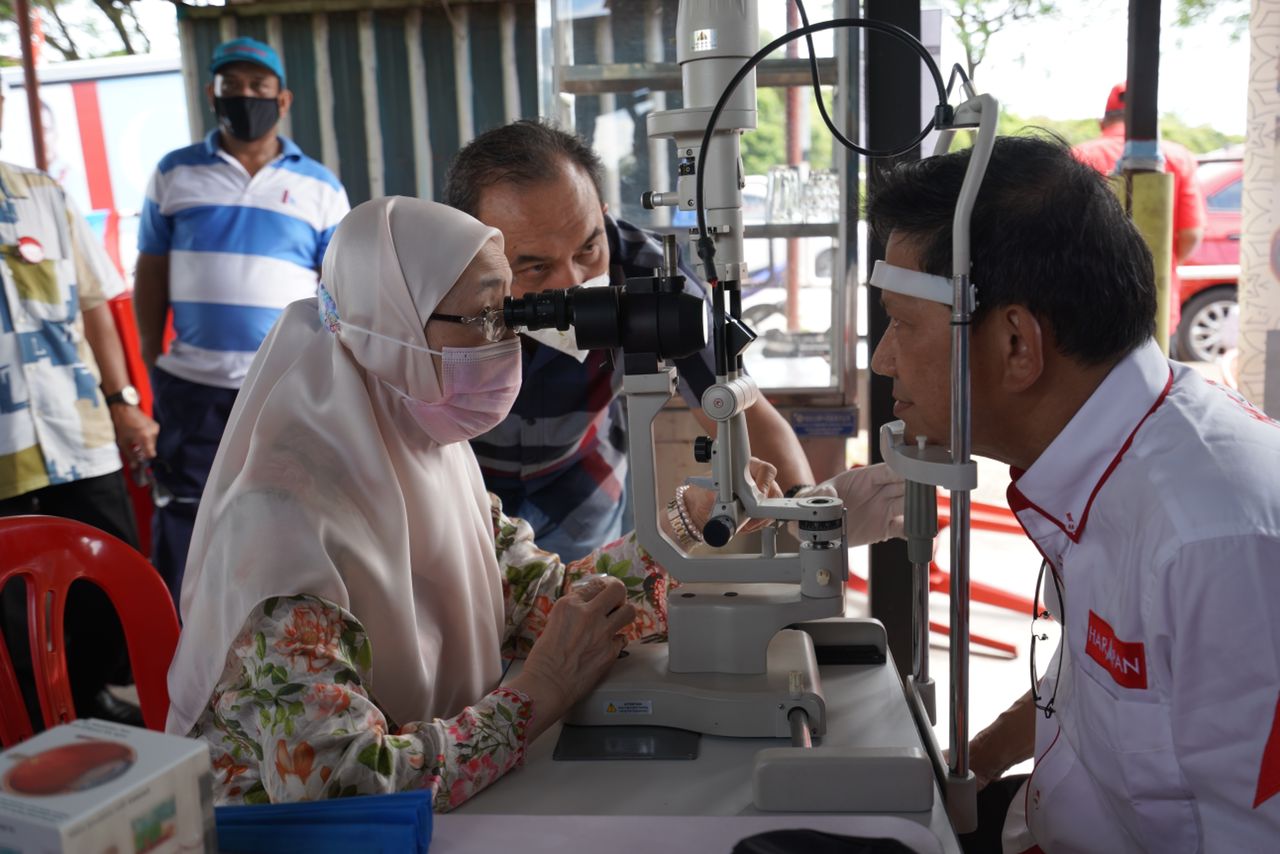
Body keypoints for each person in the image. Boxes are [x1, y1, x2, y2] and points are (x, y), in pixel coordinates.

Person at [166, 196, 904, 810]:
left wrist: (713, 523)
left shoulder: (428, 453)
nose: (507, 344)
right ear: (390, 330)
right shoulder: (280, 525)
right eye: (485, 320)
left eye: (510, 316)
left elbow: (546, 603)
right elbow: (343, 783)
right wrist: (539, 694)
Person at [867, 134, 1280, 852]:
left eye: (902, 324)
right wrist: (974, 762)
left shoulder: (1214, 543)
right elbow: (1106, 682)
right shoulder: (1108, 454)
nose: (882, 359)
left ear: (1017, 344)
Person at [443, 120, 815, 561]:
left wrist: (810, 512)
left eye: (588, 249)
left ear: (602, 214)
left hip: (580, 496)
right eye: (536, 267)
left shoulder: (652, 278)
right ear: (474, 247)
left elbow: (739, 409)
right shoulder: (431, 291)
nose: (573, 284)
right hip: (456, 489)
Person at [133, 37, 350, 602]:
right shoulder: (175, 173)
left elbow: (340, 290)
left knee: (289, 511)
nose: (244, 95)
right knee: (187, 512)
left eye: (258, 85)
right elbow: (151, 273)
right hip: (193, 386)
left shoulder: (322, 187)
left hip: (283, 385)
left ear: (283, 100)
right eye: (231, 85)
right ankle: (179, 632)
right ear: (213, 95)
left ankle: (275, 631)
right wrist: (153, 359)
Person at [0, 85, 160, 725]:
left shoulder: (44, 195)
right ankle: (33, 729)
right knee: (13, 609)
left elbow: (96, 304)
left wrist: (123, 402)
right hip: (5, 450)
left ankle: (99, 701)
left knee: (105, 579)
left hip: (79, 433)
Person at [1072, 82, 1207, 345]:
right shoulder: (1179, 157)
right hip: (1158, 304)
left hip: (1090, 306)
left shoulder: (1078, 156)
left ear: (1103, 122)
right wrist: (1155, 261)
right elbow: (1191, 234)